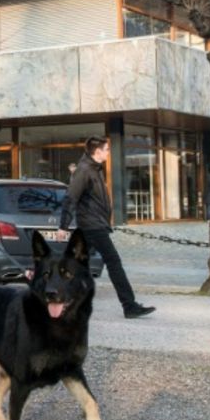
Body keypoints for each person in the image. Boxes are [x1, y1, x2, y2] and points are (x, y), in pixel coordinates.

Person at [58, 137, 154, 319]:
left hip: (95, 224)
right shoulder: (84, 171)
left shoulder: (94, 169)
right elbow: (71, 198)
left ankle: (58, 300)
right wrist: (63, 226)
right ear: (97, 151)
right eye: (107, 149)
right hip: (92, 226)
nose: (109, 152)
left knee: (76, 265)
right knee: (113, 262)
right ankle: (129, 306)